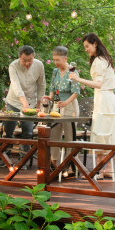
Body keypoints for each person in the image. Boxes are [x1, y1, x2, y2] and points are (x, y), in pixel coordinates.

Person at [68, 33, 115, 180]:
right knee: (107, 134)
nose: (86, 49)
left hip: (104, 99)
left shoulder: (98, 61)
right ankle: (107, 170)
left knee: (101, 134)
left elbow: (98, 84)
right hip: (109, 99)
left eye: (87, 46)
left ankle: (101, 170)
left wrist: (78, 79)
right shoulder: (104, 59)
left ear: (95, 44)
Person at [3, 45, 46, 166]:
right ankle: (4, 158)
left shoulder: (39, 65)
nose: (27, 63)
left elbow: (41, 85)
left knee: (28, 132)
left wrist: (38, 103)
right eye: (24, 60)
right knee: (8, 131)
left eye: (30, 60)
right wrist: (24, 104)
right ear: (19, 58)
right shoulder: (13, 66)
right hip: (14, 101)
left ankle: (24, 160)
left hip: (31, 102)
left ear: (34, 57)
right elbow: (16, 86)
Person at [47, 45, 81, 175]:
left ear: (65, 58)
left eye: (58, 60)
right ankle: (54, 162)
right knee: (54, 135)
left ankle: (69, 165)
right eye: (54, 60)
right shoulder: (55, 72)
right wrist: (49, 97)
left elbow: (76, 92)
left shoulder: (72, 72)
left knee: (69, 137)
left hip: (70, 106)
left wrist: (65, 102)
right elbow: (52, 87)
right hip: (57, 106)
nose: (55, 62)